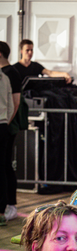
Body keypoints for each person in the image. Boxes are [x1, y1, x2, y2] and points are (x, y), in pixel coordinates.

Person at [0, 41, 22, 221]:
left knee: (5, 165)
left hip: (6, 126)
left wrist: (5, 122)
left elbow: (14, 103)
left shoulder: (10, 75)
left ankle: (9, 204)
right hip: (5, 125)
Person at [0, 67, 14, 226]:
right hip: (3, 125)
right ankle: (1, 211)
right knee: (2, 168)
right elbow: (11, 105)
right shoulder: (4, 78)